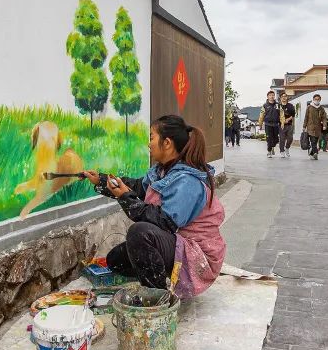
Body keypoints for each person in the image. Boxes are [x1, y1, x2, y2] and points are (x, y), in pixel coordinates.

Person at [83, 115, 226, 298]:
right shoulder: (163, 171)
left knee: (140, 233)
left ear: (167, 143)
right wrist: (102, 180)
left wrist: (125, 198)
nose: (148, 144)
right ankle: (158, 277)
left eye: (151, 137)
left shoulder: (186, 181)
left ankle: (158, 299)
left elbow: (164, 222)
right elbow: (137, 188)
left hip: (196, 255)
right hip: (176, 244)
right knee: (115, 260)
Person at [302, 93, 328, 160]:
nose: (317, 100)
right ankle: (315, 153)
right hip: (310, 127)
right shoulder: (309, 107)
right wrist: (304, 126)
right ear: (313, 99)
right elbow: (306, 117)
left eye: (318, 99)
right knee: (313, 141)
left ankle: (311, 153)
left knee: (315, 141)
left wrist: (324, 125)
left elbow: (324, 118)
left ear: (320, 100)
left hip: (318, 128)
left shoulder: (321, 109)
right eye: (315, 99)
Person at [258, 90, 282, 158]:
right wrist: (260, 124)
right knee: (269, 138)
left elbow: (282, 114)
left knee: (276, 139)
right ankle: (269, 151)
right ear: (268, 97)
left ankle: (272, 147)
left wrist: (282, 122)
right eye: (270, 95)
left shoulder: (278, 105)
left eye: (273, 95)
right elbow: (261, 115)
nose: (272, 96)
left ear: (274, 96)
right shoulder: (265, 106)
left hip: (276, 124)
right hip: (268, 124)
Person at [278, 92, 296, 157]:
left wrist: (288, 120)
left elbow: (293, 115)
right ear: (280, 98)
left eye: (285, 96)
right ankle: (282, 151)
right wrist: (282, 121)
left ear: (287, 97)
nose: (284, 97)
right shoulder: (278, 106)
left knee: (290, 138)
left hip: (289, 124)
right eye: (282, 96)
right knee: (282, 139)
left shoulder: (290, 106)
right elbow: (277, 116)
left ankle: (287, 148)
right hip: (281, 125)